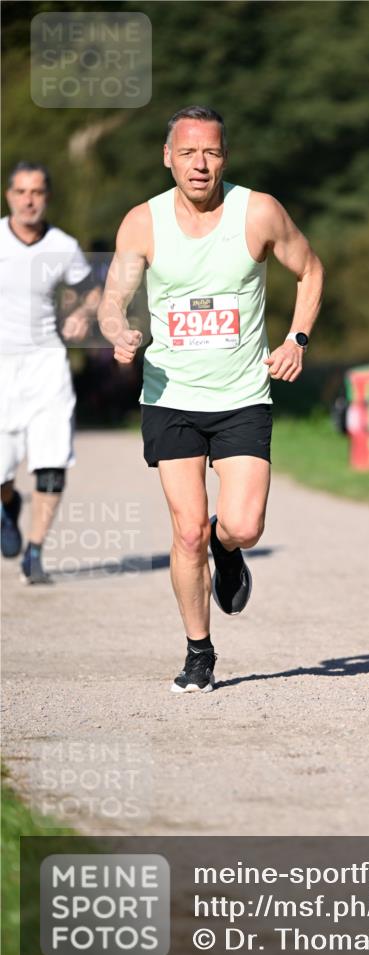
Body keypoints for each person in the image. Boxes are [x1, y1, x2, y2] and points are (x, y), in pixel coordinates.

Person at [98, 106, 325, 693]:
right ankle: (199, 651)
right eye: (189, 153)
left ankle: (230, 552)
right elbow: (111, 301)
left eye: (212, 153)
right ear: (167, 157)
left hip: (243, 395)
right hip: (170, 396)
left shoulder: (259, 212)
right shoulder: (142, 223)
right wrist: (117, 332)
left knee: (243, 526)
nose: (201, 165)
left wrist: (297, 338)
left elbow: (311, 270)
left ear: (226, 157)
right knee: (187, 531)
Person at [0, 162, 100, 583]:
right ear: (9, 196)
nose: (29, 200)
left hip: (46, 365)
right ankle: (8, 504)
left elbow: (93, 288)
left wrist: (82, 313)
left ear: (47, 197)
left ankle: (35, 552)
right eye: (21, 191)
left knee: (52, 461)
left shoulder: (63, 245)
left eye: (37, 192)